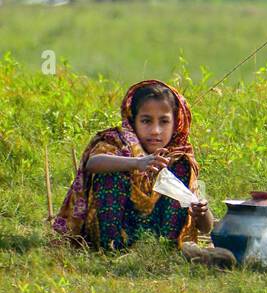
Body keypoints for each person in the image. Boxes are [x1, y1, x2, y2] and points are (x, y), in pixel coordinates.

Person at [53, 79, 212, 250]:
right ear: (133, 120)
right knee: (110, 172)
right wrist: (137, 162)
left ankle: (166, 247)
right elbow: (93, 162)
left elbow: (206, 227)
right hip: (117, 231)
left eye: (164, 122)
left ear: (176, 124)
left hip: (159, 240)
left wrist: (201, 212)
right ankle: (112, 248)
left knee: (181, 171)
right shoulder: (118, 142)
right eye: (146, 121)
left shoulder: (181, 158)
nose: (155, 131)